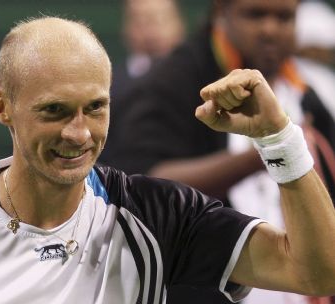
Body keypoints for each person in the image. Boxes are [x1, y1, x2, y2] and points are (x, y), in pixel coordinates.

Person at [0, 16, 334, 304]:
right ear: (1, 107)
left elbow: (318, 273)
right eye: (54, 110)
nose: (79, 133)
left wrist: (279, 140)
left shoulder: (159, 217)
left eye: (95, 108)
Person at [102, 0, 335, 303]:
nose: (270, 29)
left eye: (284, 17)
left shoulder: (305, 92)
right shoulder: (171, 81)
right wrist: (268, 149)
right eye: (255, 15)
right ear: (221, 13)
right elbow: (144, 186)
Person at [99, 0, 185, 164]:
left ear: (179, 24)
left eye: (159, 20)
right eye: (140, 21)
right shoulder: (108, 84)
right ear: (125, 28)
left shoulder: (199, 82)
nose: (151, 31)